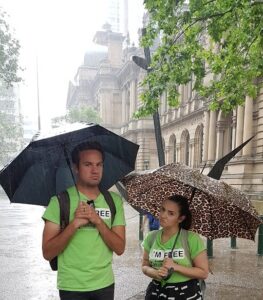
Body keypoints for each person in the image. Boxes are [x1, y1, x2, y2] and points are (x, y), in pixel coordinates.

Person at [42, 141, 126, 300]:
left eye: (99, 164)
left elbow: (120, 248)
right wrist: (74, 224)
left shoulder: (113, 201)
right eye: (88, 164)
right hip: (72, 286)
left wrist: (98, 221)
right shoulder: (59, 202)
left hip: (104, 283)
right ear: (76, 167)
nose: (95, 170)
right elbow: (48, 252)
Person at [141, 194, 208, 300]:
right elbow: (144, 266)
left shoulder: (191, 239)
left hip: (185, 294)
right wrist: (155, 273)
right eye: (162, 209)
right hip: (156, 292)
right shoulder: (151, 237)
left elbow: (203, 272)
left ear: (180, 218)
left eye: (170, 213)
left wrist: (176, 267)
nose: (163, 215)